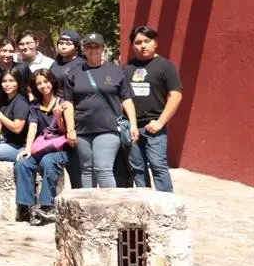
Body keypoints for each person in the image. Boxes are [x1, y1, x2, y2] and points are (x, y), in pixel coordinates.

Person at [63, 33, 138, 189]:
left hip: (109, 128)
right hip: (82, 129)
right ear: (83, 50)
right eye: (89, 47)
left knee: (103, 168)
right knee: (87, 170)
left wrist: (133, 124)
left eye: (96, 46)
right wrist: (70, 129)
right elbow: (68, 103)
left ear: (102, 48)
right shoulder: (74, 73)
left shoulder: (115, 71)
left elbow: (126, 99)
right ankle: (90, 210)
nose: (93, 50)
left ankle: (110, 209)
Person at [123, 26, 183, 192]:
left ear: (155, 43)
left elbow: (176, 95)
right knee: (137, 168)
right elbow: (122, 97)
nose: (143, 45)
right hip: (132, 127)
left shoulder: (165, 66)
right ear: (133, 45)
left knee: (158, 165)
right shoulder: (127, 68)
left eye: (147, 41)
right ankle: (145, 205)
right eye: (138, 42)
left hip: (155, 126)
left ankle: (167, 205)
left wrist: (160, 122)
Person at [15, 70, 75, 225]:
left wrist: (57, 116)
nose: (43, 86)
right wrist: (28, 149)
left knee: (48, 161)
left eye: (46, 81)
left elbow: (67, 131)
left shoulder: (64, 104)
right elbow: (33, 127)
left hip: (61, 148)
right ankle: (27, 207)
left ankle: (46, 206)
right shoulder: (35, 106)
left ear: (52, 82)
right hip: (42, 146)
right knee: (23, 164)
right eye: (39, 83)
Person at [14, 30, 53, 95]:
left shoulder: (49, 63)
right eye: (21, 44)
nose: (25, 47)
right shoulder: (13, 60)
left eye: (29, 43)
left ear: (37, 43)